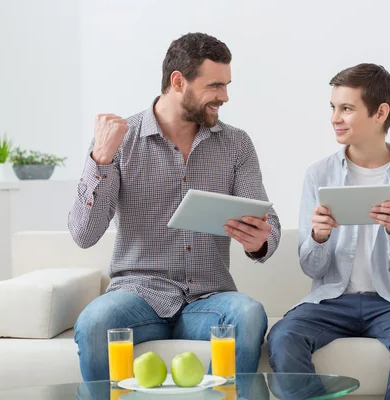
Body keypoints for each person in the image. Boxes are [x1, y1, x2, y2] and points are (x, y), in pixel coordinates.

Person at [69, 32, 281, 382]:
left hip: (208, 300)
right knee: (94, 322)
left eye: (227, 86)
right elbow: (83, 235)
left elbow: (267, 222)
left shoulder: (236, 144)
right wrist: (100, 160)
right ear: (178, 81)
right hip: (138, 296)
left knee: (248, 313)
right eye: (215, 86)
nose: (224, 97)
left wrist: (259, 239)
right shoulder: (121, 142)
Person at [266, 63, 390, 400]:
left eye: (346, 108)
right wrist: (319, 237)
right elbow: (312, 269)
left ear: (380, 113)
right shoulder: (318, 174)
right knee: (283, 336)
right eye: (333, 107)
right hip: (331, 299)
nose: (335, 117)